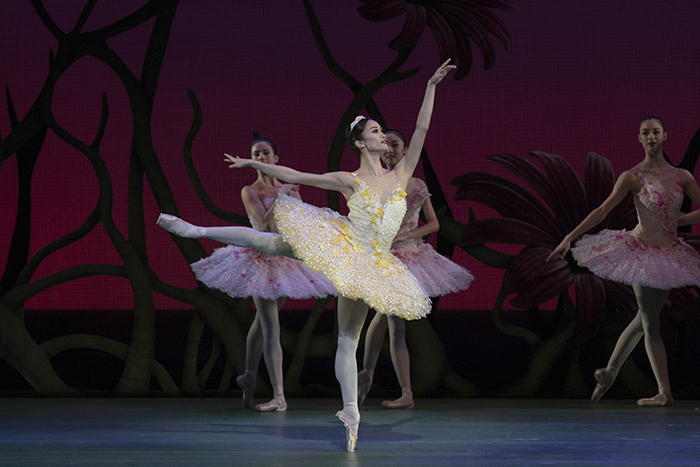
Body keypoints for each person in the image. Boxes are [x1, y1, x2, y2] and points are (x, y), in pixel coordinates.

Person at [156, 59, 456, 451]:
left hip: (374, 262)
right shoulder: (349, 180)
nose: (384, 136)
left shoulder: (402, 175)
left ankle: (350, 412)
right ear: (362, 143)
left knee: (348, 339)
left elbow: (421, 129)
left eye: (383, 131)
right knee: (274, 244)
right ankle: (196, 229)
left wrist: (431, 85)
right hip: (344, 243)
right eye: (376, 131)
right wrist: (252, 163)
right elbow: (298, 176)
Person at [547, 116, 700, 407]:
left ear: (665, 135)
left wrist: (680, 220)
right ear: (639, 138)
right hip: (640, 251)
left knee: (644, 319)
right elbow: (603, 210)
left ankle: (610, 371)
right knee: (649, 319)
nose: (652, 137)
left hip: (669, 254)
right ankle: (664, 391)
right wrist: (569, 236)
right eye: (646, 133)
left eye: (656, 132)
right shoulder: (632, 176)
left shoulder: (683, 176)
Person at [188, 135, 336, 412]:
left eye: (266, 153)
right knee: (271, 328)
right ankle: (279, 395)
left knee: (263, 320)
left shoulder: (289, 188)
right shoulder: (250, 191)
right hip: (260, 260)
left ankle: (249, 377)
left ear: (276, 159)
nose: (261, 158)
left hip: (285, 261)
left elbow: (300, 225)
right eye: (256, 154)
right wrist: (281, 197)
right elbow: (265, 227)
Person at [357, 129, 474, 409]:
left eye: (395, 145)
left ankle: (382, 381)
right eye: (385, 145)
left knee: (391, 321)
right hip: (386, 258)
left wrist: (408, 235)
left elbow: (434, 224)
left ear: (407, 149)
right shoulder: (378, 182)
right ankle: (391, 385)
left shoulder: (418, 183)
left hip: (410, 257)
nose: (390, 150)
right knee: (389, 320)